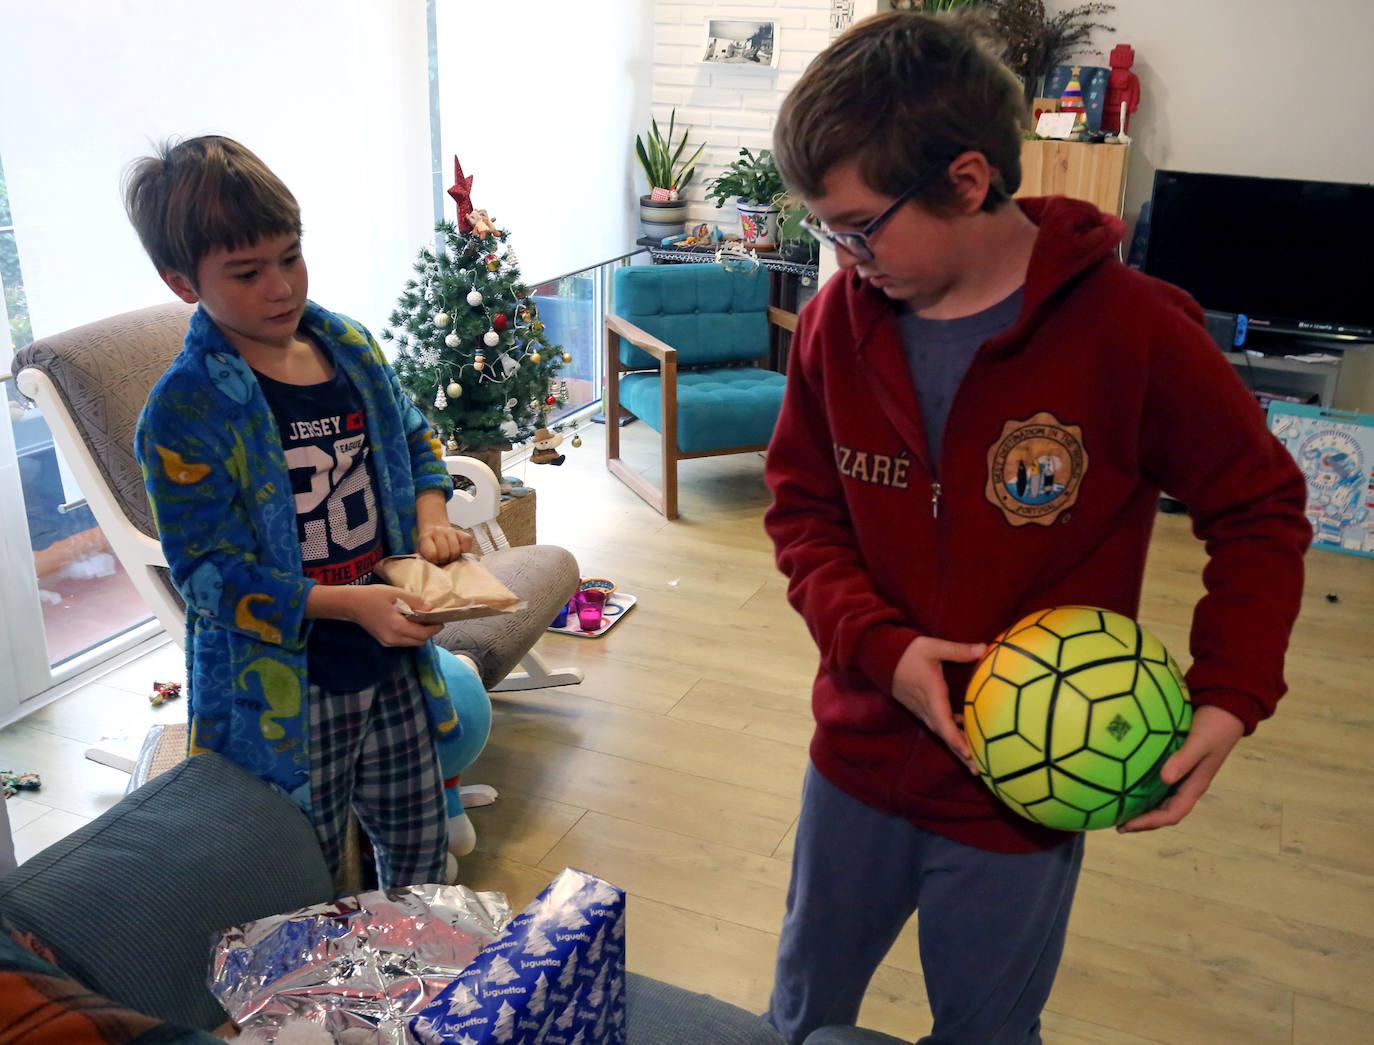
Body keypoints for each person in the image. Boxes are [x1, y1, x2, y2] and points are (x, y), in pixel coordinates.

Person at [762, 12, 1310, 1044]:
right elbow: (801, 510)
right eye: (825, 230)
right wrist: (880, 648)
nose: (842, 255)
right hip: (858, 755)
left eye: (859, 227)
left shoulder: (1136, 332)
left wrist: (1232, 693)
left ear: (967, 180)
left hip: (1029, 797)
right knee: (798, 1014)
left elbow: (1262, 507)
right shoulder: (840, 323)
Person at [125, 135, 472, 888]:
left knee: (419, 850)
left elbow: (412, 434)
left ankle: (414, 987)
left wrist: (431, 510)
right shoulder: (185, 411)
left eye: (291, 255)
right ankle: (324, 1005)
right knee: (302, 874)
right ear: (183, 282)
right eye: (247, 272)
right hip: (286, 688)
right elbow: (209, 578)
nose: (281, 287)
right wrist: (353, 604)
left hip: (392, 662)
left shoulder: (346, 344)